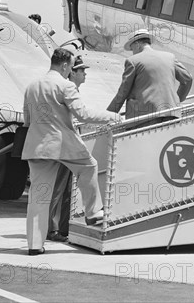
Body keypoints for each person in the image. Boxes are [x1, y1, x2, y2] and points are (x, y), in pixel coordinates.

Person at [22, 48, 121, 255]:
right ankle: (93, 212)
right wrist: (112, 117)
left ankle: (34, 245)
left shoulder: (31, 86)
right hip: (62, 144)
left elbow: (27, 120)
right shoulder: (65, 85)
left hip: (36, 146)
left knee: (38, 198)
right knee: (89, 166)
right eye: (71, 66)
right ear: (65, 65)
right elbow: (83, 115)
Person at [107, 29, 193, 127]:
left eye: (132, 49)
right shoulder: (170, 57)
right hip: (172, 114)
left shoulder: (133, 61)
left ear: (137, 44)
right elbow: (187, 79)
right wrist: (176, 100)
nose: (132, 52)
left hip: (144, 117)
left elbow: (123, 92)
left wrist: (108, 115)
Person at [46, 55, 89, 243]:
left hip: (71, 145)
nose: (84, 74)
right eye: (81, 70)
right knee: (57, 188)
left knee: (68, 190)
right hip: (62, 145)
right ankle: (51, 229)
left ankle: (64, 227)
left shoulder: (74, 90)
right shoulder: (65, 88)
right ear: (72, 71)